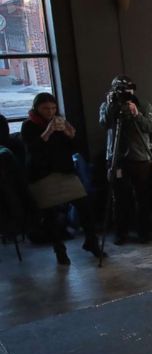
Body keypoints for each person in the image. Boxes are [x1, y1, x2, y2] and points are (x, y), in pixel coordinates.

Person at [20, 92, 103, 265]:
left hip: (64, 173)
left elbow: (75, 148)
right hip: (42, 175)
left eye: (53, 108)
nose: (50, 112)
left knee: (84, 206)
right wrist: (48, 131)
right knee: (50, 215)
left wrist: (70, 134)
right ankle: (60, 251)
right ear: (37, 108)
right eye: (45, 108)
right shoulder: (29, 126)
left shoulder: (60, 123)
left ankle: (91, 242)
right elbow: (33, 150)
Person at [98, 75, 152, 245]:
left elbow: (150, 127)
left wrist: (136, 114)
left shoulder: (143, 104)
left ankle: (144, 232)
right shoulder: (107, 105)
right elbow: (104, 124)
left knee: (142, 197)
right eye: (121, 90)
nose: (125, 93)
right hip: (117, 158)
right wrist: (110, 106)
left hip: (139, 158)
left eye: (128, 89)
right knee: (119, 198)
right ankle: (120, 233)